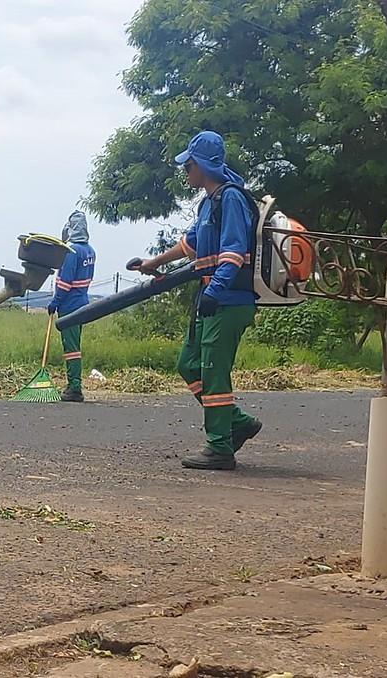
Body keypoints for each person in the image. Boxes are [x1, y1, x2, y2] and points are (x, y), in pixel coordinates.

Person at [133, 131, 262, 470]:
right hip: (211, 298)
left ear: (203, 165)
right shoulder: (209, 202)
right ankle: (238, 422)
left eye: (188, 164)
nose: (185, 170)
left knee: (214, 373)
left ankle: (220, 447)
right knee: (188, 364)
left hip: (229, 300)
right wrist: (153, 264)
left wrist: (215, 290)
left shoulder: (231, 199)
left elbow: (234, 251)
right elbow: (190, 245)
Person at [48, 211, 96, 403]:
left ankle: (74, 387)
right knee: (75, 345)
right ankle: (73, 385)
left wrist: (55, 302)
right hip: (83, 303)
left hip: (69, 306)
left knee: (71, 348)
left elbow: (65, 283)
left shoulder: (71, 252)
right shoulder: (90, 251)